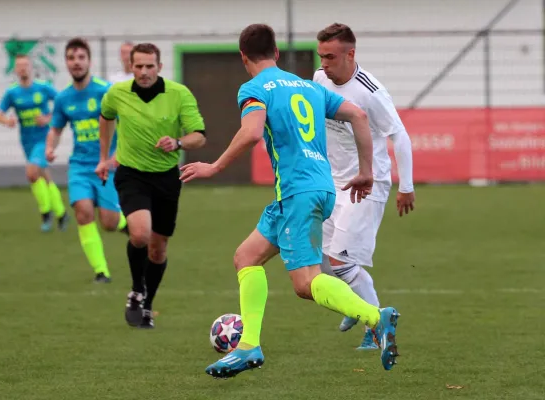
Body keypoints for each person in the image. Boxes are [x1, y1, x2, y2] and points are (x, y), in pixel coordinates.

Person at [179, 23, 400, 378]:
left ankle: (376, 317)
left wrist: (214, 166)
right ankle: (249, 346)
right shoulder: (308, 87)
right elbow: (358, 115)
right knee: (246, 257)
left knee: (305, 283)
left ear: (243, 57)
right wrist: (366, 171)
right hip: (317, 189)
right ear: (276, 53)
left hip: (298, 193)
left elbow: (251, 133)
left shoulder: (254, 88)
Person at [314, 23, 415, 350]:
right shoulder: (319, 79)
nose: (325, 64)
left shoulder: (370, 92)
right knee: (322, 261)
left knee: (342, 261)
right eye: (321, 56)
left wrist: (407, 186)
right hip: (331, 180)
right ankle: (354, 308)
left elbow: (398, 135)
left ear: (350, 54)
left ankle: (375, 328)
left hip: (367, 184)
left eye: (330, 57)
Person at [96, 43, 207, 329]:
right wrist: (104, 157)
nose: (144, 72)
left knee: (158, 250)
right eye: (138, 66)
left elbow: (199, 136)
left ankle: (147, 304)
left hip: (166, 177)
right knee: (140, 234)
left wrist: (178, 142)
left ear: (159, 66)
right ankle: (136, 290)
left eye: (149, 66)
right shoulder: (116, 94)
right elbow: (106, 117)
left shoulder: (179, 94)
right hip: (131, 174)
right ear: (130, 67)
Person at [46, 37, 127, 283]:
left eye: (81, 57)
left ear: (89, 61)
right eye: (71, 58)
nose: (76, 62)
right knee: (82, 212)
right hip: (80, 166)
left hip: (107, 165)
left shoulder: (105, 91)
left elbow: (125, 125)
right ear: (66, 63)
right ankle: (101, 271)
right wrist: (50, 148)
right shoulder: (63, 98)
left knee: (109, 223)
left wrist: (117, 154)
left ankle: (125, 221)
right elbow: (56, 128)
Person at [0, 54, 69, 232]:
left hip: (44, 139)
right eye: (19, 66)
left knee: (31, 172)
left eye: (25, 65)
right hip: (26, 141)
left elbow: (63, 104)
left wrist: (48, 118)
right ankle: (61, 212)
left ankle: (45, 212)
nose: (22, 69)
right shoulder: (12, 92)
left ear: (31, 68)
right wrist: (7, 121)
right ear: (15, 70)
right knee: (43, 176)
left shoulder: (43, 88)